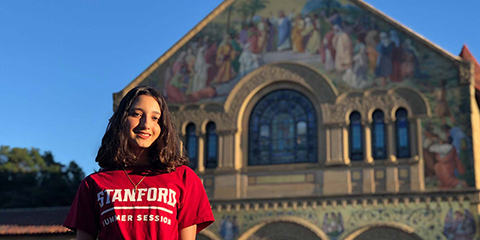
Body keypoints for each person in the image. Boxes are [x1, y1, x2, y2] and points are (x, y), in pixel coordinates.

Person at [64, 86, 214, 240]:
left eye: (155, 118)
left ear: (163, 126)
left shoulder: (184, 178)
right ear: (122, 119)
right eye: (137, 114)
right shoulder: (93, 184)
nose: (146, 124)